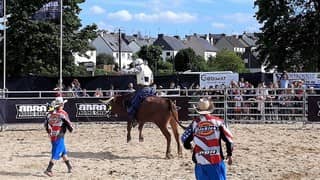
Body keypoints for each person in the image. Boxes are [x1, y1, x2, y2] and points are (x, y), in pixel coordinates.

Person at [181, 98, 234, 180]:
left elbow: (185, 139)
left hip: (200, 160)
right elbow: (229, 139)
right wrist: (229, 154)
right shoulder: (218, 122)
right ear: (210, 109)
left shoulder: (195, 123)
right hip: (216, 159)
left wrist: (190, 147)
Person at [44, 97, 73, 177]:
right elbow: (68, 123)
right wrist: (71, 129)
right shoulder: (63, 113)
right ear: (61, 105)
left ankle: (69, 167)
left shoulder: (49, 114)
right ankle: (48, 169)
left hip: (53, 135)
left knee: (63, 151)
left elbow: (46, 125)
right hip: (59, 135)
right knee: (56, 153)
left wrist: (49, 132)